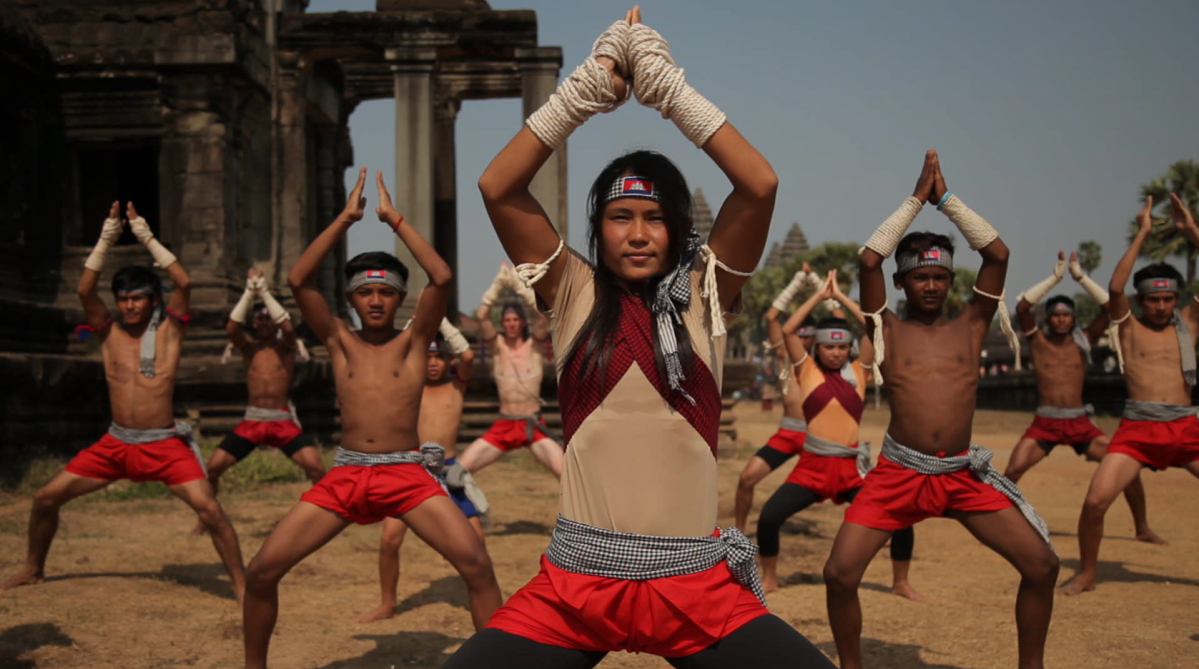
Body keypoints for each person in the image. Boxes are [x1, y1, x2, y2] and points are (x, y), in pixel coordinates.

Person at [444, 9, 835, 668]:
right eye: (619, 217)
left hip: (696, 587)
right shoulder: (572, 290)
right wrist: (588, 88)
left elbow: (759, 184)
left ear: (679, 229)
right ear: (598, 229)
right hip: (574, 586)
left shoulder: (706, 293)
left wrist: (665, 89)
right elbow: (497, 186)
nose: (636, 234)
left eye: (655, 218)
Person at [241, 169, 501, 669]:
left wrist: (394, 219)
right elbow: (298, 280)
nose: (376, 300)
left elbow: (441, 277)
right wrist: (345, 219)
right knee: (262, 570)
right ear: (352, 299)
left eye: (386, 292)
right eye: (365, 292)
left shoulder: (415, 341)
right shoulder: (339, 339)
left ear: (401, 299)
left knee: (476, 564)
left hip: (406, 473)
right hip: (347, 474)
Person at [823, 151, 1059, 669]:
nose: (930, 285)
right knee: (839, 575)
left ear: (951, 281)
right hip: (899, 473)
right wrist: (915, 200)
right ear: (901, 283)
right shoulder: (885, 328)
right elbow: (869, 261)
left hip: (960, 473)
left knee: (1042, 566)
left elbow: (997, 254)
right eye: (919, 277)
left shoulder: (971, 325)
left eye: (939, 276)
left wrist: (947, 200)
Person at [2, 201, 246, 601]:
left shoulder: (170, 332)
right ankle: (33, 567)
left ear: (153, 300)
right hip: (115, 444)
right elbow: (84, 289)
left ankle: (242, 585)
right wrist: (107, 238)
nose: (129, 305)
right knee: (45, 497)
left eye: (137, 298)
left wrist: (145, 236)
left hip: (164, 445)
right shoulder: (107, 332)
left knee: (210, 510)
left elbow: (184, 283)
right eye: (123, 299)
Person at [1059, 194, 1199, 595]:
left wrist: (1191, 230)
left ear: (1176, 300)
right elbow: (1116, 286)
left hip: (1186, 426)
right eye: (1153, 300)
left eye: (1168, 299)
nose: (1161, 306)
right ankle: (1087, 573)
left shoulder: (1189, 322)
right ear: (1140, 301)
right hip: (1138, 429)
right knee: (1095, 502)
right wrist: (1142, 233)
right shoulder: (1128, 325)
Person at [756, 271, 921, 600]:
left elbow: (875, 327)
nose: (836, 352)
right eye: (829, 347)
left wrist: (842, 298)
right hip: (811, 467)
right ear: (817, 348)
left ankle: (900, 582)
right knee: (770, 517)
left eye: (842, 347)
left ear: (849, 348)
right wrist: (819, 297)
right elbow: (787, 330)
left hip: (850, 469)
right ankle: (769, 577)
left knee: (901, 518)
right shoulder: (807, 369)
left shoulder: (859, 371)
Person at [1008, 252, 1162, 544]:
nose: (1061, 319)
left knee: (1128, 471)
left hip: (1080, 422)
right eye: (1056, 315)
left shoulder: (1085, 340)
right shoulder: (1038, 341)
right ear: (1048, 318)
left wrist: (1080, 277)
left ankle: (1142, 527)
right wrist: (1054, 278)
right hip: (1046, 422)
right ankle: (999, 524)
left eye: (1066, 314)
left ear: (1073, 318)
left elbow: (1109, 307)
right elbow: (1023, 307)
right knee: (1012, 471)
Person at [358, 321, 491, 623]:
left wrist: (440, 319)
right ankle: (388, 603)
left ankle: (483, 600)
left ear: (448, 360)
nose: (432, 363)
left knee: (476, 541)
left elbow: (468, 356)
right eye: (427, 356)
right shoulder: (409, 387)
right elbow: (390, 361)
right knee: (390, 539)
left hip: (449, 472)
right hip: (412, 471)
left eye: (439, 357)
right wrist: (417, 321)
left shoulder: (456, 386)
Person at [196, 268, 324, 531]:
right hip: (253, 420)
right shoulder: (248, 348)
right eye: (260, 319)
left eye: (268, 318)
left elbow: (288, 327)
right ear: (254, 323)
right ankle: (206, 520)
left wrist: (264, 292)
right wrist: (248, 292)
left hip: (281, 420)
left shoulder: (286, 347)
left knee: (316, 469)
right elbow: (231, 328)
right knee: (213, 468)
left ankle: (318, 521)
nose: (265, 323)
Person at [733, 263, 822, 533]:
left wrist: (818, 284)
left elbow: (839, 318)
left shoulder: (827, 359)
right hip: (788, 432)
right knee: (747, 478)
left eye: (808, 337)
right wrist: (799, 280)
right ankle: (738, 533)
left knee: (858, 487)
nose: (802, 342)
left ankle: (878, 531)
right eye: (799, 336)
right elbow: (772, 317)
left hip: (820, 435)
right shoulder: (784, 356)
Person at [456, 263, 564, 477]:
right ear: (503, 323)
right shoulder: (498, 347)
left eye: (515, 320)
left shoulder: (534, 346)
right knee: (457, 472)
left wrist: (518, 283)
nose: (512, 324)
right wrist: (498, 284)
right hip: (505, 423)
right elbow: (482, 315)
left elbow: (543, 315)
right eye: (507, 320)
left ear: (522, 322)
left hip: (532, 423)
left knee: (566, 473)